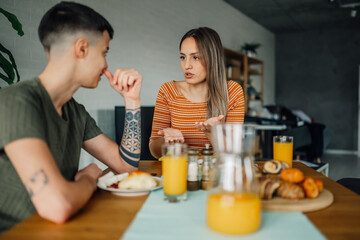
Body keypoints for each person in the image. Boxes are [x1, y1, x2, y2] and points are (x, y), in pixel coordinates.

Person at [0, 2, 143, 232]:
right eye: (104, 52)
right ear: (82, 49)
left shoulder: (75, 111)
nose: (107, 65)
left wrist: (132, 101)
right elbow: (57, 206)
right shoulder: (17, 102)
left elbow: (126, 166)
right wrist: (88, 179)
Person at [149, 27, 245, 159]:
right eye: (183, 57)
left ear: (212, 59)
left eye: (195, 57)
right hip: (178, 172)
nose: (187, 65)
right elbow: (154, 149)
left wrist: (213, 133)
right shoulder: (168, 91)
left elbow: (233, 154)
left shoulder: (232, 91)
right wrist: (168, 141)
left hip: (214, 175)